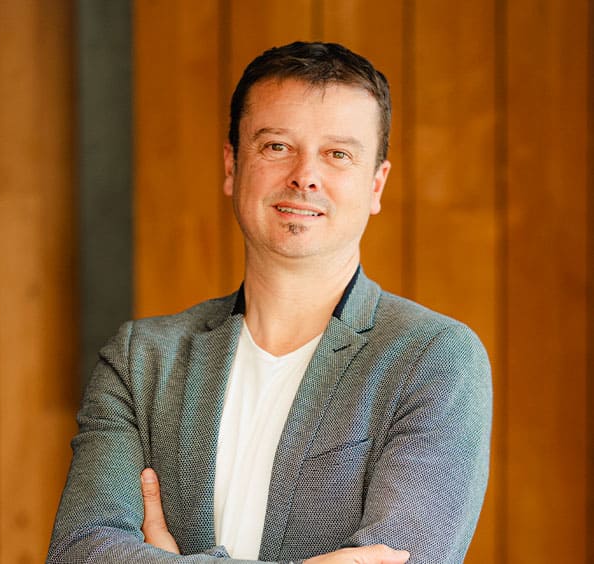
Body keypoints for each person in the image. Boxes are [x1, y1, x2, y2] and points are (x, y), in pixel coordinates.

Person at [47, 41, 492, 564]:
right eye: (277, 146)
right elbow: (79, 551)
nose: (305, 176)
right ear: (232, 165)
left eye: (338, 154)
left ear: (376, 184)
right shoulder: (141, 360)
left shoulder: (434, 359)